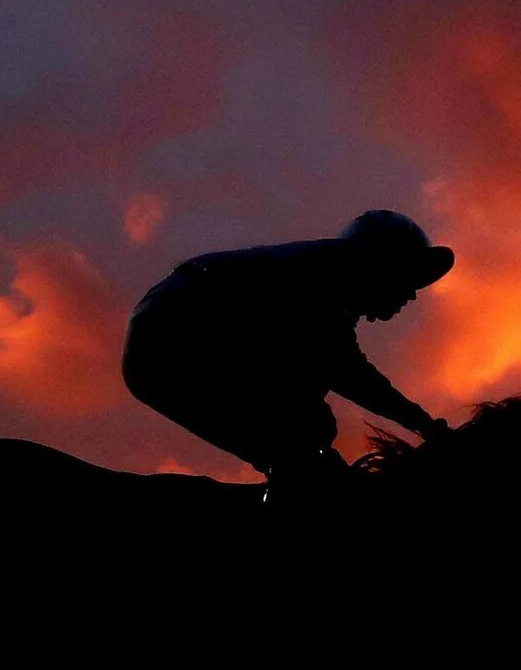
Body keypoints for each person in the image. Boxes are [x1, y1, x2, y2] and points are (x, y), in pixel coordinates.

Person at [122, 210, 456, 502]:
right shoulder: (325, 283)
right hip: (178, 329)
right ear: (383, 267)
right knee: (308, 431)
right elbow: (352, 375)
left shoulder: (323, 279)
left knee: (299, 441)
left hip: (165, 331)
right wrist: (426, 425)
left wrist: (422, 424)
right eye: (408, 278)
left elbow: (342, 367)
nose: (412, 295)